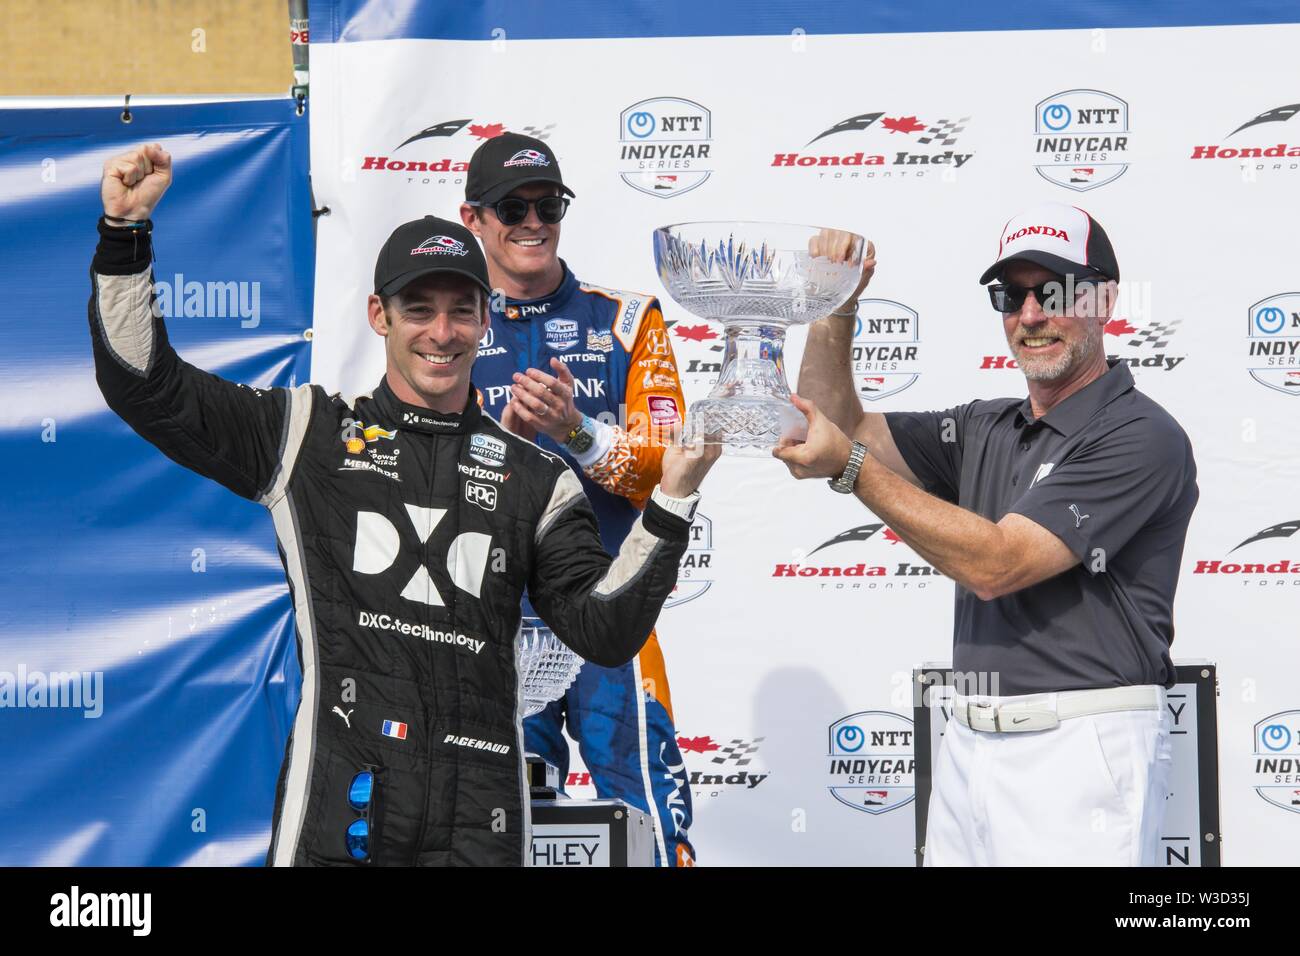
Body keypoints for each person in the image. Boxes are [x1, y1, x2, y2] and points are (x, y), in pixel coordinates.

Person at [90, 143, 719, 867]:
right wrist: (124, 239)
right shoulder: (310, 436)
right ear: (377, 315)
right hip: (345, 815)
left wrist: (672, 500)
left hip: (477, 827)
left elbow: (603, 632)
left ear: (487, 319)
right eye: (418, 309)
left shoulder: (537, 479)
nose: (441, 333)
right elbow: (147, 387)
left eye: (460, 311)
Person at [779, 202, 1198, 866]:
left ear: (1106, 298)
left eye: (1053, 291)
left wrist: (854, 470)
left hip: (1081, 749)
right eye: (1011, 294)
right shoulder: (983, 427)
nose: (1030, 316)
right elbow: (826, 428)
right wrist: (836, 308)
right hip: (970, 745)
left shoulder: (1141, 434)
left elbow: (997, 565)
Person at [459, 133, 696, 866]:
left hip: (608, 613)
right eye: (512, 208)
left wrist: (580, 433)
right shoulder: (446, 329)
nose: (533, 222)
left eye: (548, 205)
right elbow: (427, 481)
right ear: (474, 220)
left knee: (646, 810)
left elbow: (668, 467)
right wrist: (495, 447)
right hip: (494, 622)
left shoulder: (626, 322)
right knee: (495, 824)